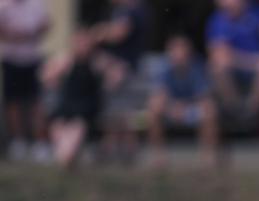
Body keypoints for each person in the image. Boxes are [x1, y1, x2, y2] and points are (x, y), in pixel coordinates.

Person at [42, 28, 118, 168]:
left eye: (84, 42)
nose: (81, 45)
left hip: (88, 105)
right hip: (68, 103)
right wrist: (53, 78)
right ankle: (65, 155)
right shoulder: (67, 60)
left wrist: (108, 82)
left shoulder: (98, 60)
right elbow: (47, 76)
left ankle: (66, 156)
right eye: (78, 42)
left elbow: (116, 74)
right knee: (58, 124)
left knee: (77, 126)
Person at [206, 0, 259, 125]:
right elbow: (218, 52)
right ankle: (234, 109)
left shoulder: (257, 12)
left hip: (257, 64)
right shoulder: (217, 20)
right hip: (237, 67)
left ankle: (253, 111)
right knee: (218, 64)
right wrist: (247, 60)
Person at [147, 35, 219, 168]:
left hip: (191, 109)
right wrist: (173, 107)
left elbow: (204, 98)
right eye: (175, 52)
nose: (179, 56)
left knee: (210, 110)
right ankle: (159, 156)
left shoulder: (197, 67)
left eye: (182, 52)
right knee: (154, 108)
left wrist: (185, 108)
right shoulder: (164, 69)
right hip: (171, 108)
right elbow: (160, 95)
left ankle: (208, 157)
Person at [90, 0, 148, 163]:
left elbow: (119, 33)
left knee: (125, 113)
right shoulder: (119, 10)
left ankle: (126, 151)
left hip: (126, 71)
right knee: (115, 111)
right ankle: (112, 148)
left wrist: (98, 32)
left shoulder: (132, 10)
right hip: (116, 70)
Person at [0, 0, 51, 162]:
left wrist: (30, 33)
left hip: (32, 59)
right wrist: (13, 34)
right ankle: (18, 142)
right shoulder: (3, 5)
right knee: (13, 102)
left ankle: (40, 143)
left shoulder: (36, 4)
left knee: (36, 103)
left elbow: (46, 24)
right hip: (10, 59)